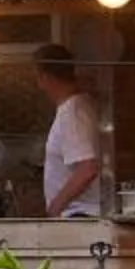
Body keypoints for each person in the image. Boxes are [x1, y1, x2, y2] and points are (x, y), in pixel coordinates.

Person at [35, 44, 104, 218]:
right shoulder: (76, 107)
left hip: (78, 215)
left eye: (38, 77)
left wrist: (54, 209)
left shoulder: (72, 113)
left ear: (46, 77)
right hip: (76, 216)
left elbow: (87, 168)